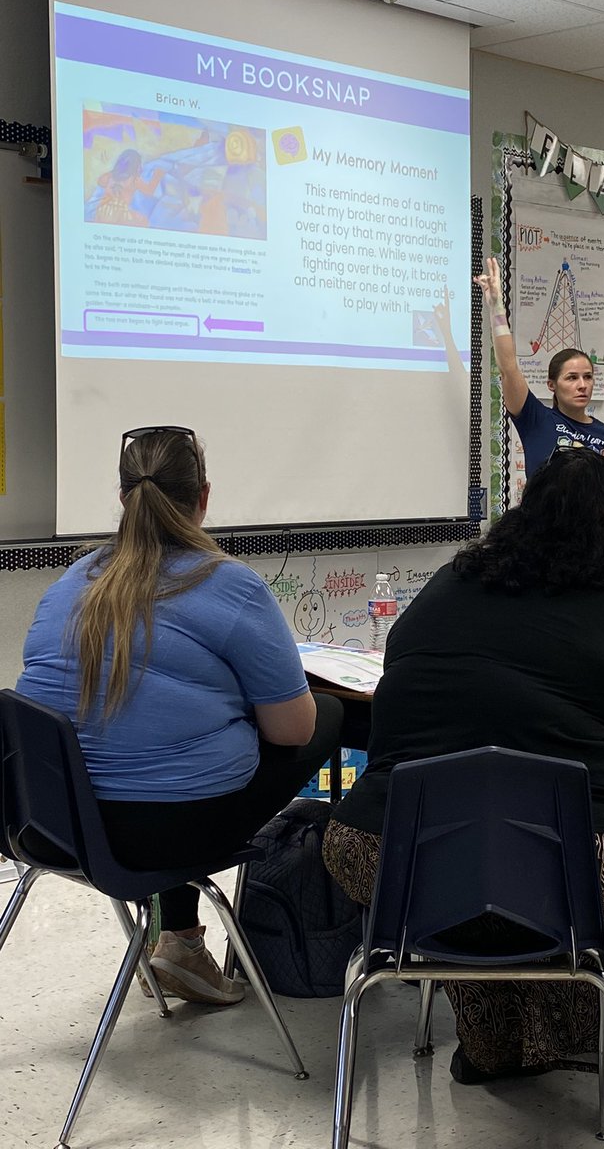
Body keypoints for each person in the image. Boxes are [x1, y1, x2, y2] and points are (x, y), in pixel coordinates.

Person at [322, 446, 604, 1082]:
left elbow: (398, 660)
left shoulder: (450, 584)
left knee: (478, 883)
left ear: (523, 512)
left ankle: (498, 1047)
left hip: (393, 853)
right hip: (574, 861)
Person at [16, 426, 328, 1005]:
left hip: (45, 824)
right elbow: (294, 730)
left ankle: (180, 943)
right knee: (328, 719)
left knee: (170, 753)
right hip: (159, 835)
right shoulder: (230, 586)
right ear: (203, 497)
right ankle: (327, 918)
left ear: (122, 498)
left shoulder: (71, 580)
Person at [475, 256, 604, 480]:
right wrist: (496, 306)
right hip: (544, 515)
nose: (582, 385)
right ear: (552, 385)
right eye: (571, 378)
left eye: (588, 377)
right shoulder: (537, 420)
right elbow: (508, 368)